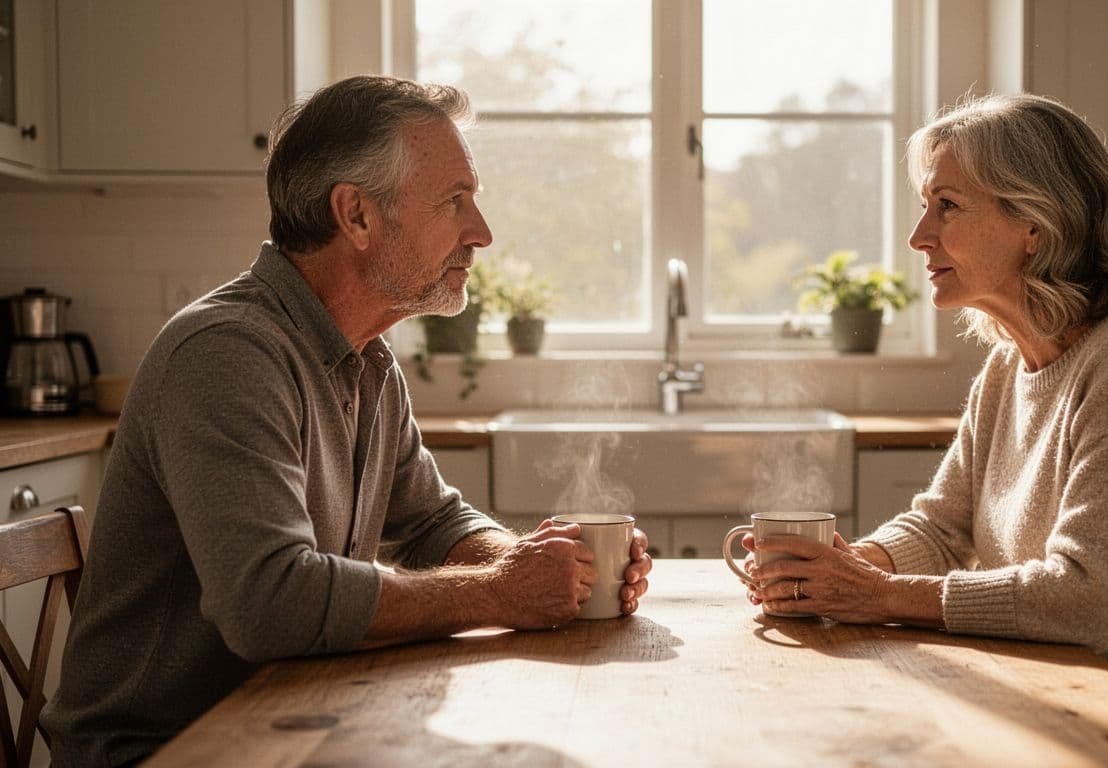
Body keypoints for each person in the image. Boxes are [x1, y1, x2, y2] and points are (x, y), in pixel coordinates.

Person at [41, 75, 653, 766]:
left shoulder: (365, 360)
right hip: (163, 752)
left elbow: (431, 523)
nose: (481, 233)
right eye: (454, 202)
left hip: (289, 722)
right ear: (356, 216)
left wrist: (532, 562)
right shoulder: (226, 355)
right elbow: (270, 603)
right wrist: (500, 591)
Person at [739, 93, 1108, 754]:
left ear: (1035, 223)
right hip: (1070, 706)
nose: (919, 237)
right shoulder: (1007, 367)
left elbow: (1089, 600)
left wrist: (880, 596)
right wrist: (851, 566)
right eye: (924, 205)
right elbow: (943, 526)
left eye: (948, 206)